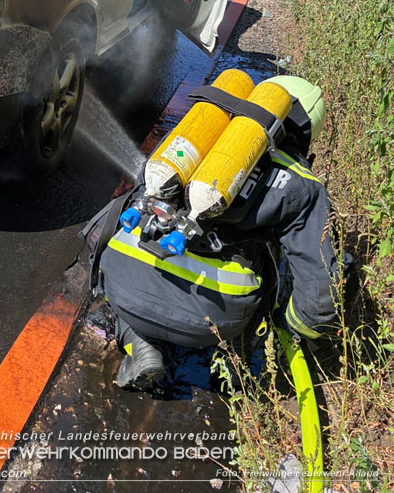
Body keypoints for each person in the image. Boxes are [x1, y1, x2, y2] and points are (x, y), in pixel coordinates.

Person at [84, 76, 350, 391]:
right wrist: (289, 328)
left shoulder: (197, 137)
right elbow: (323, 293)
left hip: (121, 279)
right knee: (271, 253)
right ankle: (231, 360)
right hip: (209, 320)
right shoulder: (300, 183)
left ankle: (137, 340)